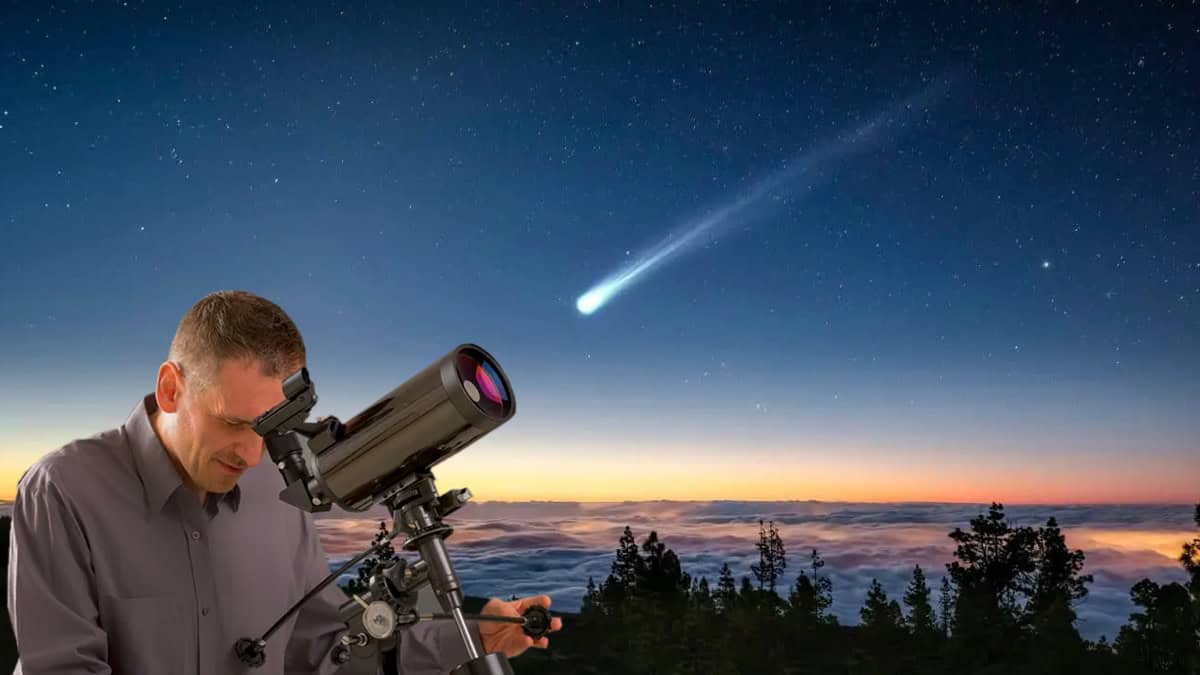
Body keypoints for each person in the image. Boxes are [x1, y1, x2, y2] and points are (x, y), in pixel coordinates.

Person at [6, 290, 562, 674]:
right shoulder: (64, 491)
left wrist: (473, 637)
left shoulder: (279, 500)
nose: (252, 454)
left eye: (271, 430)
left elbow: (319, 653)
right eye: (233, 423)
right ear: (172, 388)